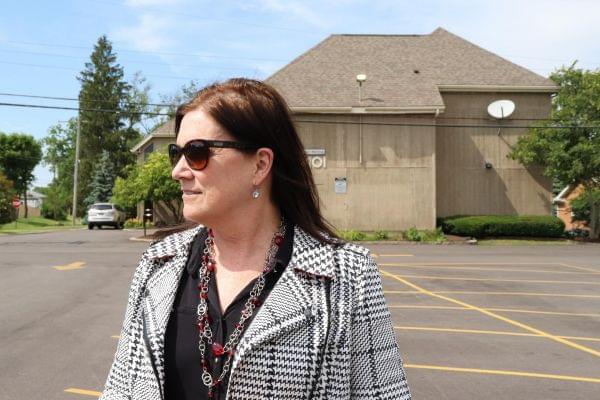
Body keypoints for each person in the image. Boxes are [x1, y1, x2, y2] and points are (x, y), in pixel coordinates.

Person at [99, 78, 411, 400]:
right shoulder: (157, 265)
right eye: (176, 152)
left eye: (196, 152)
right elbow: (121, 389)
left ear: (260, 164)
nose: (178, 170)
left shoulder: (347, 276)